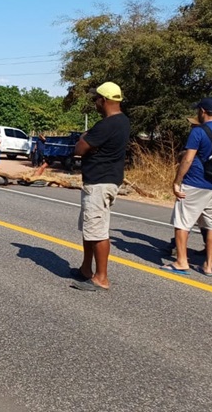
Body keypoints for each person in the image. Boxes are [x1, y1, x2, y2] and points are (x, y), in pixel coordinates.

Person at [165, 99, 212, 276]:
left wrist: (177, 181)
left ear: (203, 111)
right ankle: (209, 266)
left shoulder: (198, 131)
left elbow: (187, 159)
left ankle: (181, 261)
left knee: (182, 222)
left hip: (195, 182)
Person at [71, 82, 130, 292]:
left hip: (99, 183)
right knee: (90, 229)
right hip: (106, 180)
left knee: (97, 231)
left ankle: (101, 277)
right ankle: (86, 268)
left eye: (96, 99)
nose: (95, 103)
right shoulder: (122, 121)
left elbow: (79, 149)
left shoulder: (106, 125)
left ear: (103, 100)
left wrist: (84, 138)